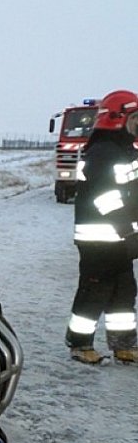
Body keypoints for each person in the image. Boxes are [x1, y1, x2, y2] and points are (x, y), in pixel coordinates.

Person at [67, 89, 138, 364]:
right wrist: (126, 229)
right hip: (98, 239)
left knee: (124, 293)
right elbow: (103, 197)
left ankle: (123, 345)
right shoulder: (103, 153)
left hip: (119, 239)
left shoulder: (125, 151)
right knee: (94, 291)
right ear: (118, 119)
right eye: (135, 119)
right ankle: (80, 344)